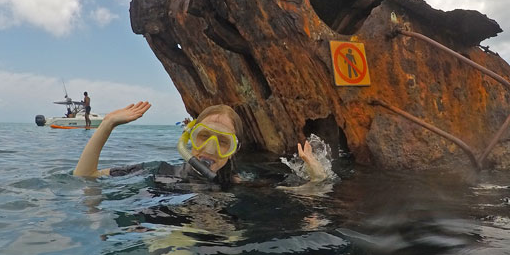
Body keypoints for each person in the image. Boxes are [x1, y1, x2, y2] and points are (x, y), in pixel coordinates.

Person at [73, 101, 326, 186]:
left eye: (223, 142)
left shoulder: (236, 184)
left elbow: (304, 196)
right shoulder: (159, 171)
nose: (210, 149)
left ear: (233, 151)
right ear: (188, 138)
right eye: (204, 136)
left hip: (222, 241)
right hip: (171, 235)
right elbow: (86, 176)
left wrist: (317, 176)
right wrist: (106, 125)